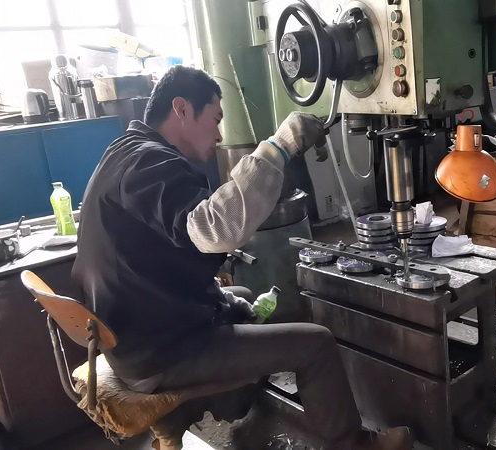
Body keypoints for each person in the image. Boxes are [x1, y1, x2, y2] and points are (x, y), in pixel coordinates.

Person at [72, 66, 413, 450]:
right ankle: (355, 444)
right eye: (215, 119)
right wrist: (280, 145)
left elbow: (168, 248)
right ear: (182, 109)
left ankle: (236, 407)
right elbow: (213, 227)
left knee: (244, 298)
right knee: (316, 344)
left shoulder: (126, 150)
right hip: (158, 352)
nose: (219, 135)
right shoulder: (146, 162)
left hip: (137, 334)